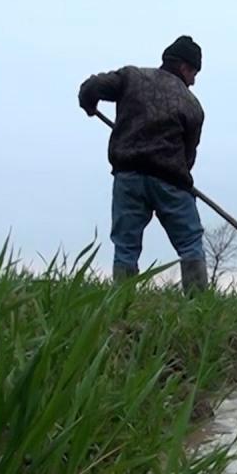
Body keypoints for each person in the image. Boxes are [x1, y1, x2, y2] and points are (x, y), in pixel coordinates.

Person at [79, 35, 208, 294]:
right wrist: (179, 177)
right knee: (191, 243)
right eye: (194, 72)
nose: (193, 80)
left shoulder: (132, 78)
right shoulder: (192, 106)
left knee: (125, 246)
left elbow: (91, 87)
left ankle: (122, 302)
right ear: (183, 67)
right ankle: (198, 305)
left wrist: (89, 104)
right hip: (171, 183)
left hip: (129, 177)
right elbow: (188, 157)